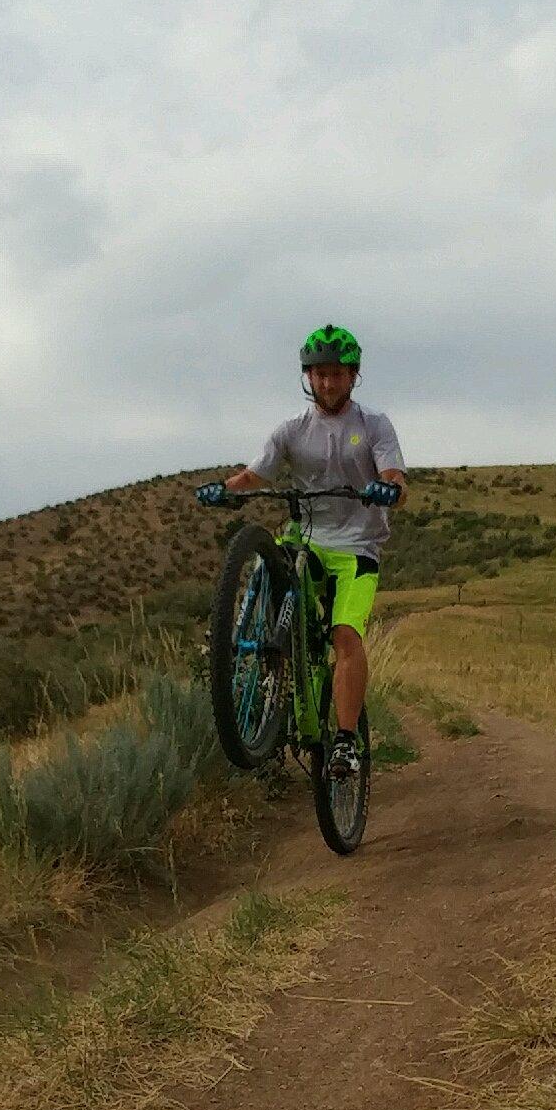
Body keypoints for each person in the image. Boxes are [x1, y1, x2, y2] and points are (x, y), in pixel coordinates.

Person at [196, 324, 407, 777]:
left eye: (336, 374)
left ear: (353, 376)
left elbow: (394, 475)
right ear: (307, 378)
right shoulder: (291, 431)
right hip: (306, 541)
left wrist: (388, 490)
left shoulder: (373, 425)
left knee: (345, 635)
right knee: (271, 558)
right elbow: (256, 475)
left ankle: (347, 742)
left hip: (357, 549)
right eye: (319, 374)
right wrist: (224, 490)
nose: (328, 383)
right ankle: (264, 652)